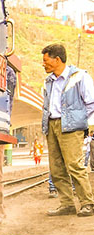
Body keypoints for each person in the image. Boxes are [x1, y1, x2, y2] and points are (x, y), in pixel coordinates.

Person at [41, 43, 94, 216]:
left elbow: (91, 103)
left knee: (74, 166)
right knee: (56, 169)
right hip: (52, 124)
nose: (43, 64)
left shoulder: (79, 77)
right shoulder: (49, 81)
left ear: (57, 60)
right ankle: (67, 204)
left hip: (71, 126)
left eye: (46, 60)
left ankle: (87, 203)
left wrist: (87, 124)